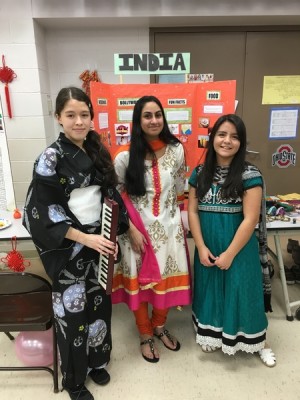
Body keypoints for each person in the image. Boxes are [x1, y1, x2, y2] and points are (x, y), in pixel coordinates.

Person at [23, 87, 128, 400]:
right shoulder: (50, 158)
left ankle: (98, 361)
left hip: (100, 240)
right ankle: (74, 378)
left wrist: (114, 232)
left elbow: (111, 194)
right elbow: (42, 211)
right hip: (70, 247)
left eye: (84, 115)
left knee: (99, 304)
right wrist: (87, 238)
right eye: (71, 115)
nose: (79, 121)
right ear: (58, 118)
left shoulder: (97, 151)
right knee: (71, 314)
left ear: (92, 118)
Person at [188, 114, 276, 367]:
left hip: (239, 248)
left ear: (242, 142)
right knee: (211, 291)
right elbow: (193, 211)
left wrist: (230, 253)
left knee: (243, 291)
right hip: (208, 244)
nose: (227, 141)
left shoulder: (250, 174)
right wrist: (201, 247)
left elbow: (250, 219)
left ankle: (259, 341)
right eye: (222, 134)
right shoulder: (200, 173)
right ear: (212, 138)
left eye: (235, 137)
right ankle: (212, 333)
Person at [112, 95, 192, 363]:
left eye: (158, 114)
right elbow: (116, 196)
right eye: (147, 116)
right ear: (138, 120)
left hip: (169, 232)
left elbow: (180, 189)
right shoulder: (124, 157)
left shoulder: (177, 150)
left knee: (166, 283)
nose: (154, 120)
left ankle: (159, 326)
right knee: (142, 287)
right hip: (136, 232)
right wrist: (130, 229)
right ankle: (145, 334)